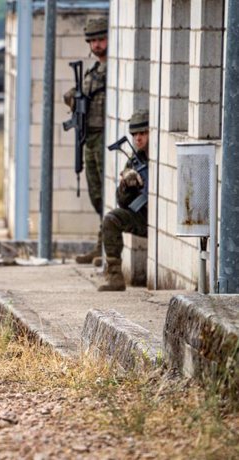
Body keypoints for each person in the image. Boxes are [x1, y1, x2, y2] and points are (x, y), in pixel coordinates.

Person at [64, 17, 108, 265]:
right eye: (93, 41)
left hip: (103, 135)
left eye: (101, 39)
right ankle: (101, 245)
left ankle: (105, 248)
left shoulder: (110, 70)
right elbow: (71, 94)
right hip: (90, 137)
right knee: (95, 194)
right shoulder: (92, 72)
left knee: (104, 193)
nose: (97, 45)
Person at [98, 109, 149, 291]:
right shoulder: (134, 161)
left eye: (143, 133)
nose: (138, 139)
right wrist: (127, 186)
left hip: (163, 222)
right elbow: (122, 203)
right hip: (143, 218)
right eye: (135, 134)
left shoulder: (159, 157)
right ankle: (115, 276)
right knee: (111, 219)